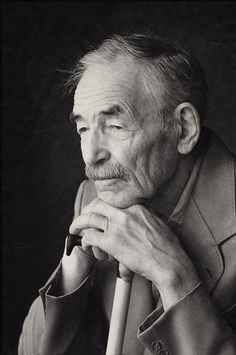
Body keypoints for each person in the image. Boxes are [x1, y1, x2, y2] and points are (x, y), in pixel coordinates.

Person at [19, 33, 236, 355]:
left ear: (184, 129)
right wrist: (70, 276)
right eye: (83, 129)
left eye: (115, 127)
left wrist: (174, 277)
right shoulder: (95, 197)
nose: (91, 157)